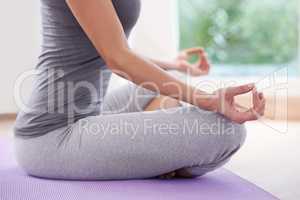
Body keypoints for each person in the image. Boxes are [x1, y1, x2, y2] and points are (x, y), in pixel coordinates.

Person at [14, 0, 265, 180]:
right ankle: (157, 161)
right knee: (226, 131)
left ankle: (153, 157)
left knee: (171, 79)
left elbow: (114, 47)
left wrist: (174, 64)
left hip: (93, 112)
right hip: (50, 135)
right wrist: (209, 100)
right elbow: (117, 58)